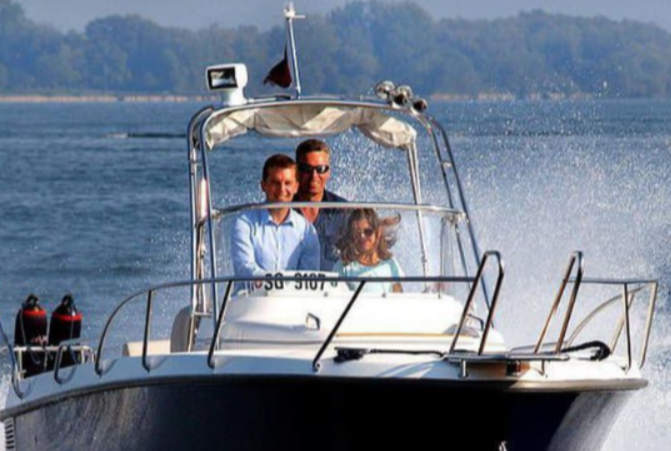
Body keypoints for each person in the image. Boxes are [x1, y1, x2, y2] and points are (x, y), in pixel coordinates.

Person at [231, 154, 320, 284]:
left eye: (287, 183)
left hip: (294, 296)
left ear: (296, 187)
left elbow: (309, 276)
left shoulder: (307, 230)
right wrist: (276, 284)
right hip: (251, 296)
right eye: (275, 183)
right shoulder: (244, 223)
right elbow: (245, 268)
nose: (282, 189)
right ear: (263, 186)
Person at [293, 139, 347, 271]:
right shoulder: (281, 210)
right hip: (288, 283)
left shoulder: (344, 211)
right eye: (307, 169)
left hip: (334, 284)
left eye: (321, 169)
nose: (314, 176)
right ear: (296, 171)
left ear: (328, 172)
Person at [334, 208, 403, 293]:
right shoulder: (343, 266)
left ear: (378, 232)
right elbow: (334, 296)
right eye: (357, 233)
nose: (362, 236)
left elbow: (399, 297)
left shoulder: (390, 263)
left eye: (368, 231)